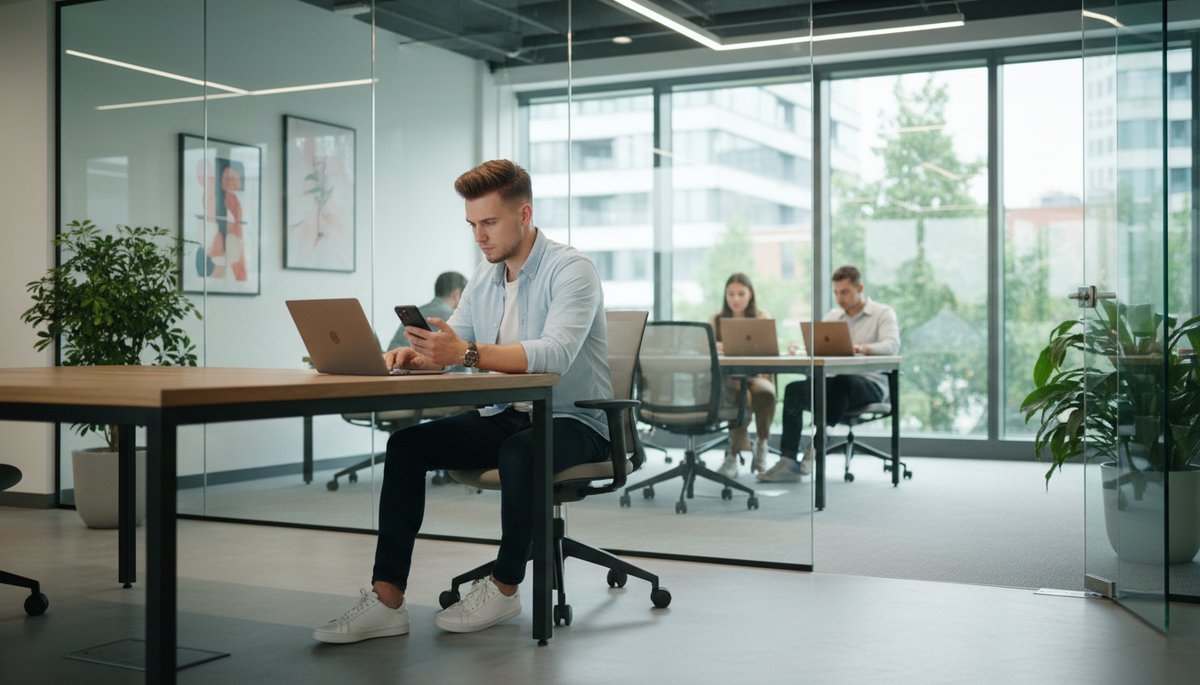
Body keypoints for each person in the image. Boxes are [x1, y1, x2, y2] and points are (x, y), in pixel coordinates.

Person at [313, 159, 613, 642]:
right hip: (507, 413)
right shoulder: (486, 277)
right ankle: (387, 599)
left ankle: (505, 585)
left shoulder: (571, 269)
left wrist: (465, 352)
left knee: (521, 451)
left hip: (574, 421)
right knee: (407, 446)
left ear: (524, 214)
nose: (480, 235)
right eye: (473, 224)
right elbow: (459, 348)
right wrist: (422, 356)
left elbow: (555, 353)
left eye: (489, 222)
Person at [757, 265, 900, 483]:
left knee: (842, 382)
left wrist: (862, 348)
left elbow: (892, 346)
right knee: (794, 389)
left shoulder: (882, 313)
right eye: (836, 292)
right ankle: (788, 460)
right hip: (835, 387)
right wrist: (805, 348)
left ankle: (817, 444)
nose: (840, 298)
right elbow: (821, 345)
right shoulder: (834, 316)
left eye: (845, 292)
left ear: (859, 288)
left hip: (871, 385)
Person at [709, 273, 776, 477]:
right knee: (741, 397)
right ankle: (733, 454)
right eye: (731, 294)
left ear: (750, 295)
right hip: (728, 378)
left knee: (767, 393)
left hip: (756, 376)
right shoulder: (716, 319)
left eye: (740, 294)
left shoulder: (761, 317)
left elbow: (769, 348)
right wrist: (718, 346)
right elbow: (706, 348)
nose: (735, 299)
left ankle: (762, 443)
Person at [387, 270, 468, 349]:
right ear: (456, 294)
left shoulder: (419, 311)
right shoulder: (452, 317)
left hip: (389, 359)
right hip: (413, 361)